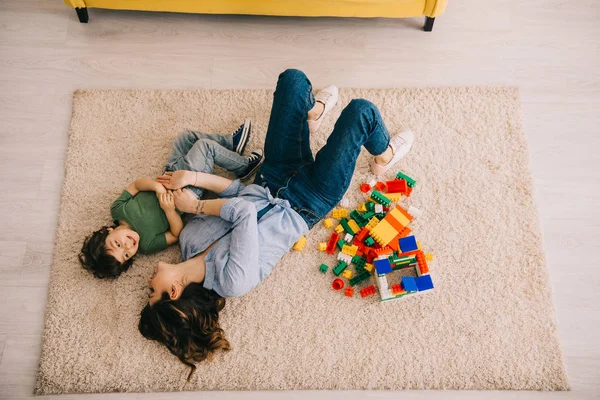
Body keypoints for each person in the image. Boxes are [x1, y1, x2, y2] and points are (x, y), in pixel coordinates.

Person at [138, 69, 415, 380]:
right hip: (311, 198)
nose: (148, 282)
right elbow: (242, 212)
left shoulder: (189, 238)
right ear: (174, 292)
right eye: (152, 291)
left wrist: (193, 177)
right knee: (361, 111)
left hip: (272, 175)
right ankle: (385, 155)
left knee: (293, 81)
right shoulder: (232, 281)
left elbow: (239, 192)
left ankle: (310, 119)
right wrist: (197, 204)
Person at [78, 120, 264, 279]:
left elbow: (136, 185)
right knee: (204, 147)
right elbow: (176, 234)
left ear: (108, 231)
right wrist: (168, 210)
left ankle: (230, 144)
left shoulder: (118, 209)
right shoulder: (146, 244)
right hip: (185, 194)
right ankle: (244, 167)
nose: (128, 245)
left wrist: (157, 188)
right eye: (126, 254)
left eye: (117, 244)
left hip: (168, 175)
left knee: (186, 137)